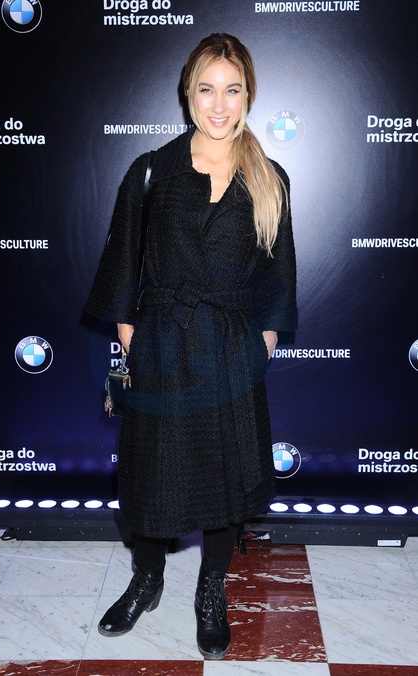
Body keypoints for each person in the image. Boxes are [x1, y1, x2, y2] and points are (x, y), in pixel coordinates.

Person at [85, 33, 297, 660]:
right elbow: (123, 271)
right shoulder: (151, 171)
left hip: (230, 351)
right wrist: (136, 345)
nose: (220, 104)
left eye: (233, 90)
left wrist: (258, 348)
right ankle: (147, 580)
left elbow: (278, 281)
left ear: (248, 95)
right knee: (153, 478)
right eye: (207, 89)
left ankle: (210, 590)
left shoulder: (270, 179)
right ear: (188, 93)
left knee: (227, 485)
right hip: (161, 348)